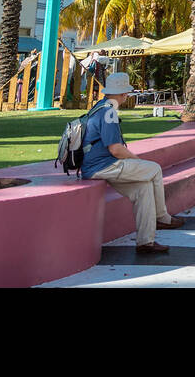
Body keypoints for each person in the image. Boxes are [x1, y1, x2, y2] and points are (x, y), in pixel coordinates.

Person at [81, 72, 185, 254]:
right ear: (123, 94)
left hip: (96, 166)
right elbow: (115, 149)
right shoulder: (109, 112)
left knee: (143, 189)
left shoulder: (100, 106)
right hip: (105, 166)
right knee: (154, 169)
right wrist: (138, 161)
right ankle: (162, 217)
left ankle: (145, 242)